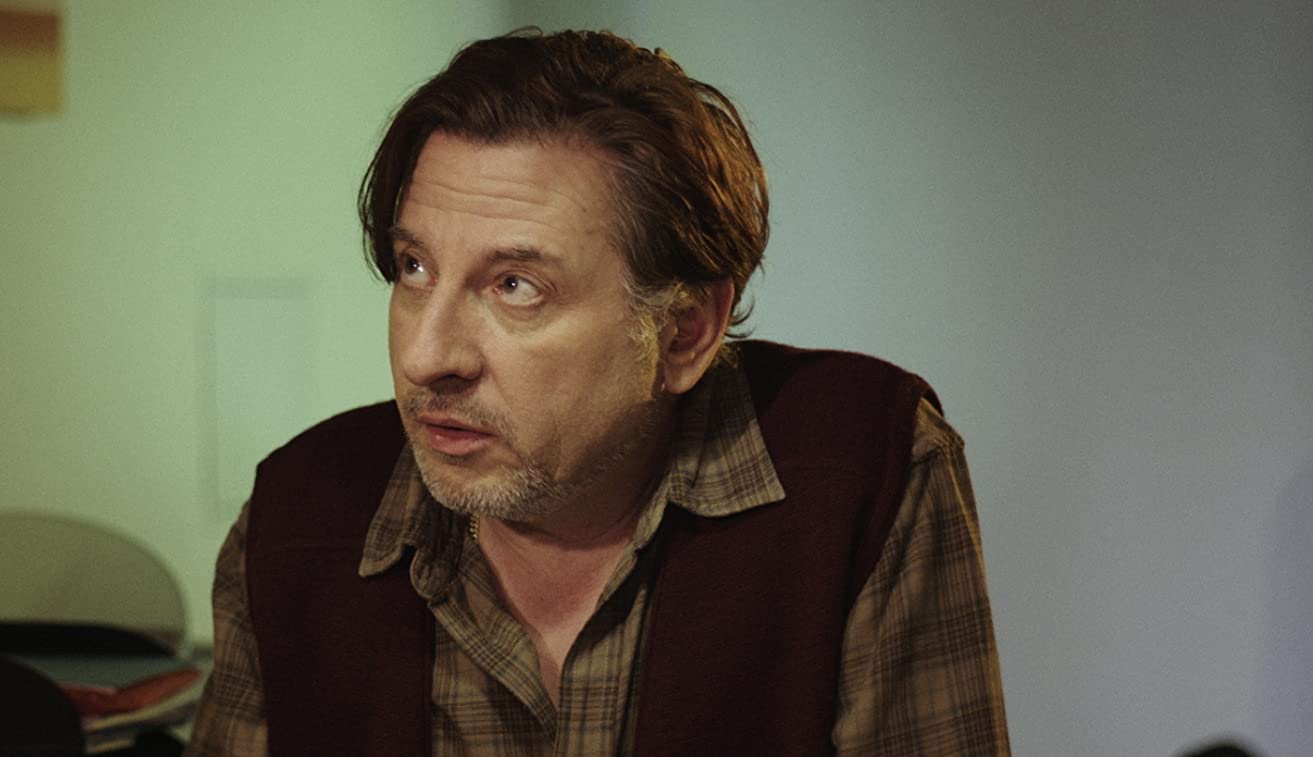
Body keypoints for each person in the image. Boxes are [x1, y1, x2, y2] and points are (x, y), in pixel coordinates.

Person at [187, 28, 1008, 756]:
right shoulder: (297, 518)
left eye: (514, 285)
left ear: (683, 333)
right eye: (414, 267)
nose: (427, 356)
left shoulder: (860, 473)